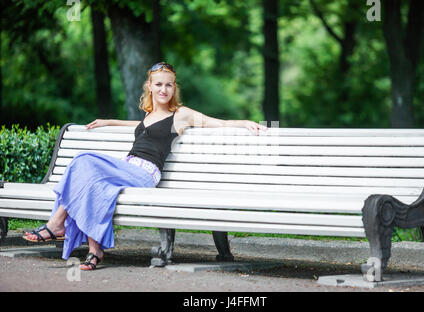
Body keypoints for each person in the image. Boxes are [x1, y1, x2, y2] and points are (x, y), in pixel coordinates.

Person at [23, 62, 267, 270]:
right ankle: (95, 251)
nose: (164, 89)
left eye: (169, 84)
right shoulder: (148, 115)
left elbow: (218, 123)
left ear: (174, 88)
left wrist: (245, 122)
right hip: (127, 168)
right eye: (158, 84)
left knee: (84, 161)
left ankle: (56, 224)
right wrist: (108, 121)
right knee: (93, 182)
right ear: (149, 87)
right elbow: (137, 125)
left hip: (145, 174)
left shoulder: (179, 115)